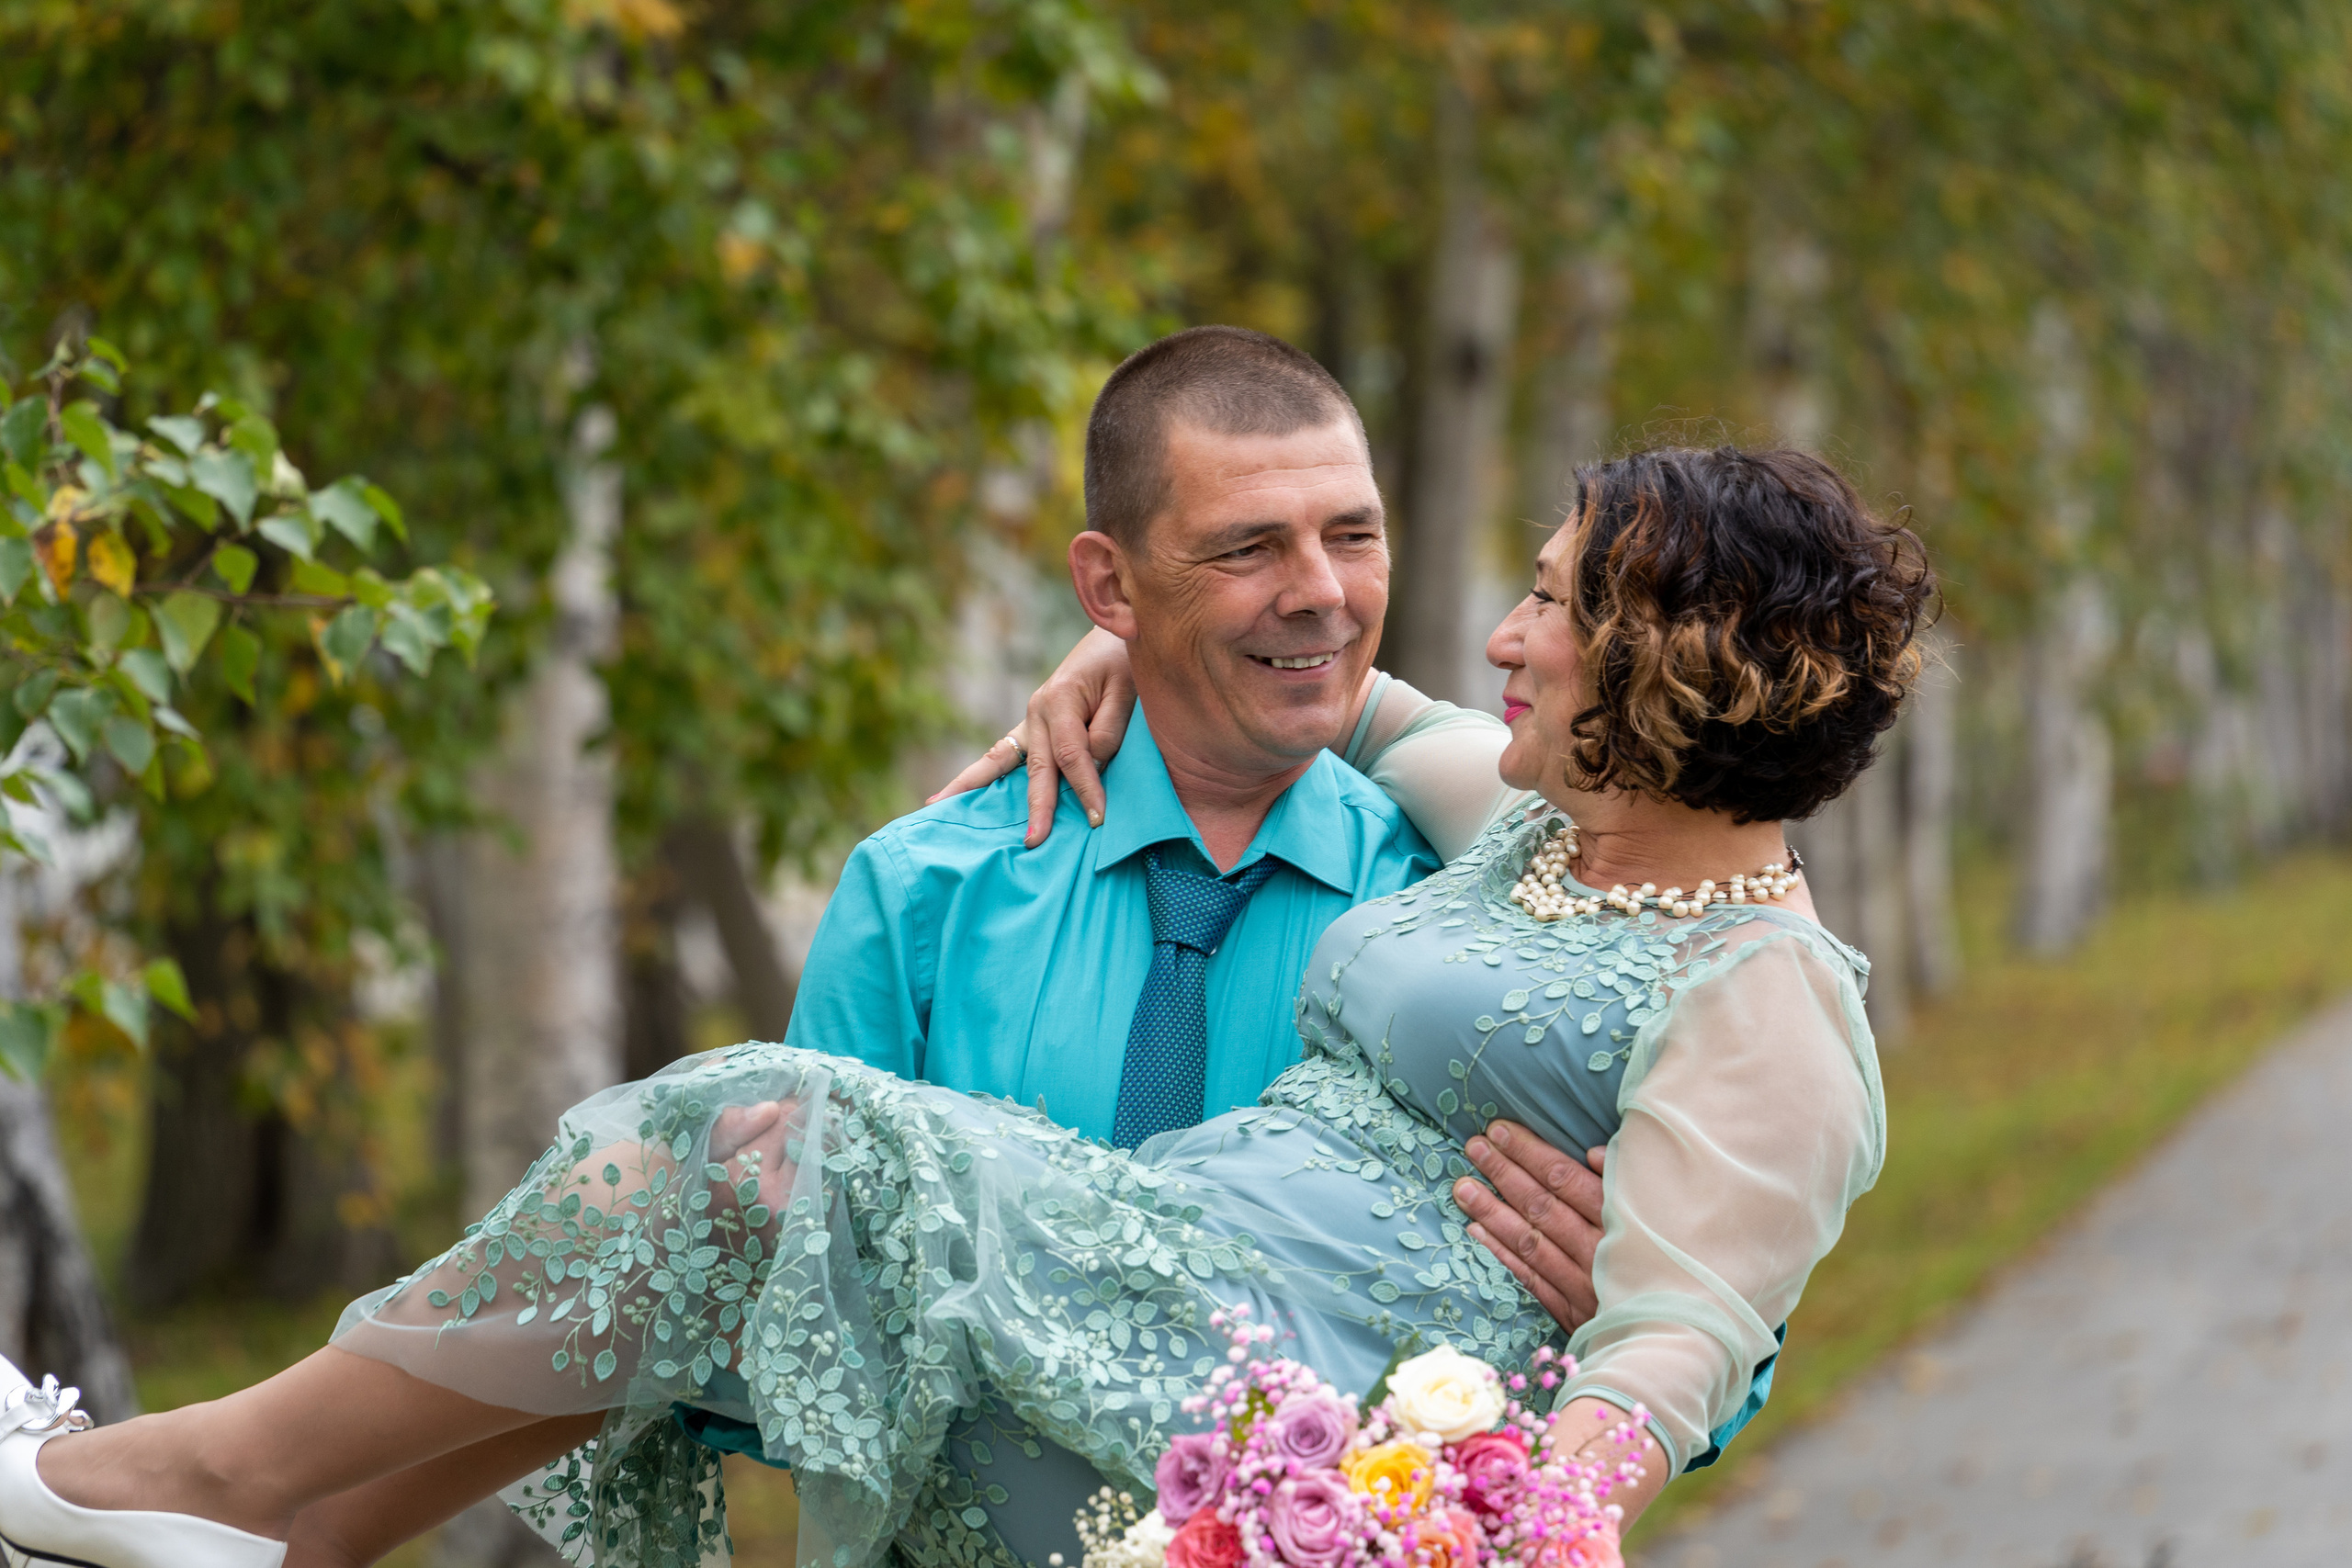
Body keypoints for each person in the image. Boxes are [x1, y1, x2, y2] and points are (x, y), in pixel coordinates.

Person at [0, 442, 1924, 1568]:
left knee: (763, 1132)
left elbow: (1670, 1352)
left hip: (1280, 1408)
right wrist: (1118, 648)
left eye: (1558, 606)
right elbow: (1351, 694)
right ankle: (279, 1532)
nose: (1505, 634)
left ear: (1680, 669)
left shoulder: (1765, 994)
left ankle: (189, 1477)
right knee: (740, 1206)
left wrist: (1500, 1512)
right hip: (1173, 1257)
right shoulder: (1531, 829)